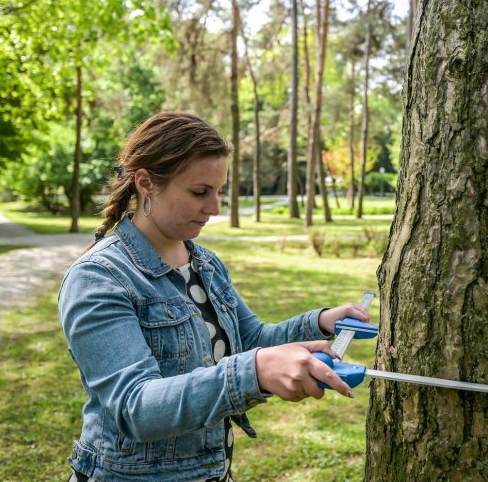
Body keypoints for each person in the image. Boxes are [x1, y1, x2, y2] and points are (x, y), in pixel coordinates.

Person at [58, 112, 369, 482]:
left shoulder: (204, 262)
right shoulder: (99, 277)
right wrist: (253, 372)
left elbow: (249, 339)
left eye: (219, 191)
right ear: (146, 183)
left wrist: (317, 321)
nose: (216, 207)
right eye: (199, 192)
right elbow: (136, 406)